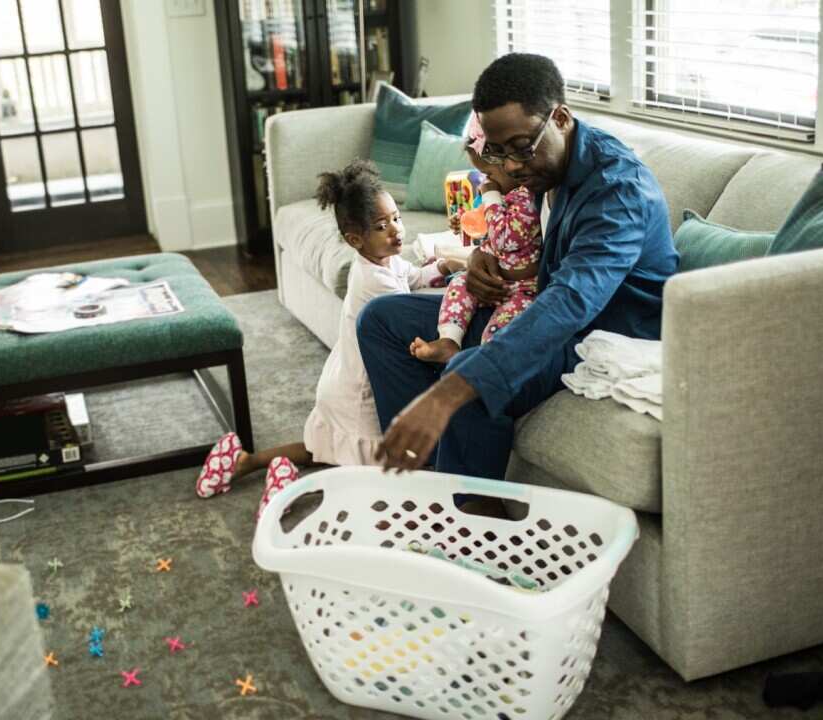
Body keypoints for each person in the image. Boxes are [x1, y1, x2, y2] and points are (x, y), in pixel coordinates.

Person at [358, 53, 678, 480]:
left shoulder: (618, 193)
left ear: (560, 118)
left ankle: (470, 511)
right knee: (381, 319)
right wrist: (481, 256)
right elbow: (522, 241)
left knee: (469, 375)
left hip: (600, 333)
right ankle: (424, 472)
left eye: (521, 148)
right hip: (535, 302)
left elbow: (571, 300)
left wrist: (447, 394)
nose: (510, 166)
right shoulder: (542, 166)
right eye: (498, 152)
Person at [195, 160, 456, 514]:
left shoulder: (385, 262)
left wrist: (443, 266)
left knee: (321, 448)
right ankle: (288, 489)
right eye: (382, 226)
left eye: (396, 218)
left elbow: (414, 276)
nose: (396, 230)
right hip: (363, 388)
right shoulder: (373, 281)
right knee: (369, 467)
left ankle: (247, 460)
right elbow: (405, 318)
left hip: (343, 374)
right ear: (355, 239)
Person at [410, 131, 543, 363]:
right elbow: (485, 227)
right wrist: (465, 221)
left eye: (488, 174)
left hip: (523, 289)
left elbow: (505, 238)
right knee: (459, 284)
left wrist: (490, 196)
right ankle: (449, 340)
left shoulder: (525, 199)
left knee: (497, 332)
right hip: (494, 279)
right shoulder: (503, 195)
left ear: (509, 166)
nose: (484, 182)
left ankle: (485, 363)